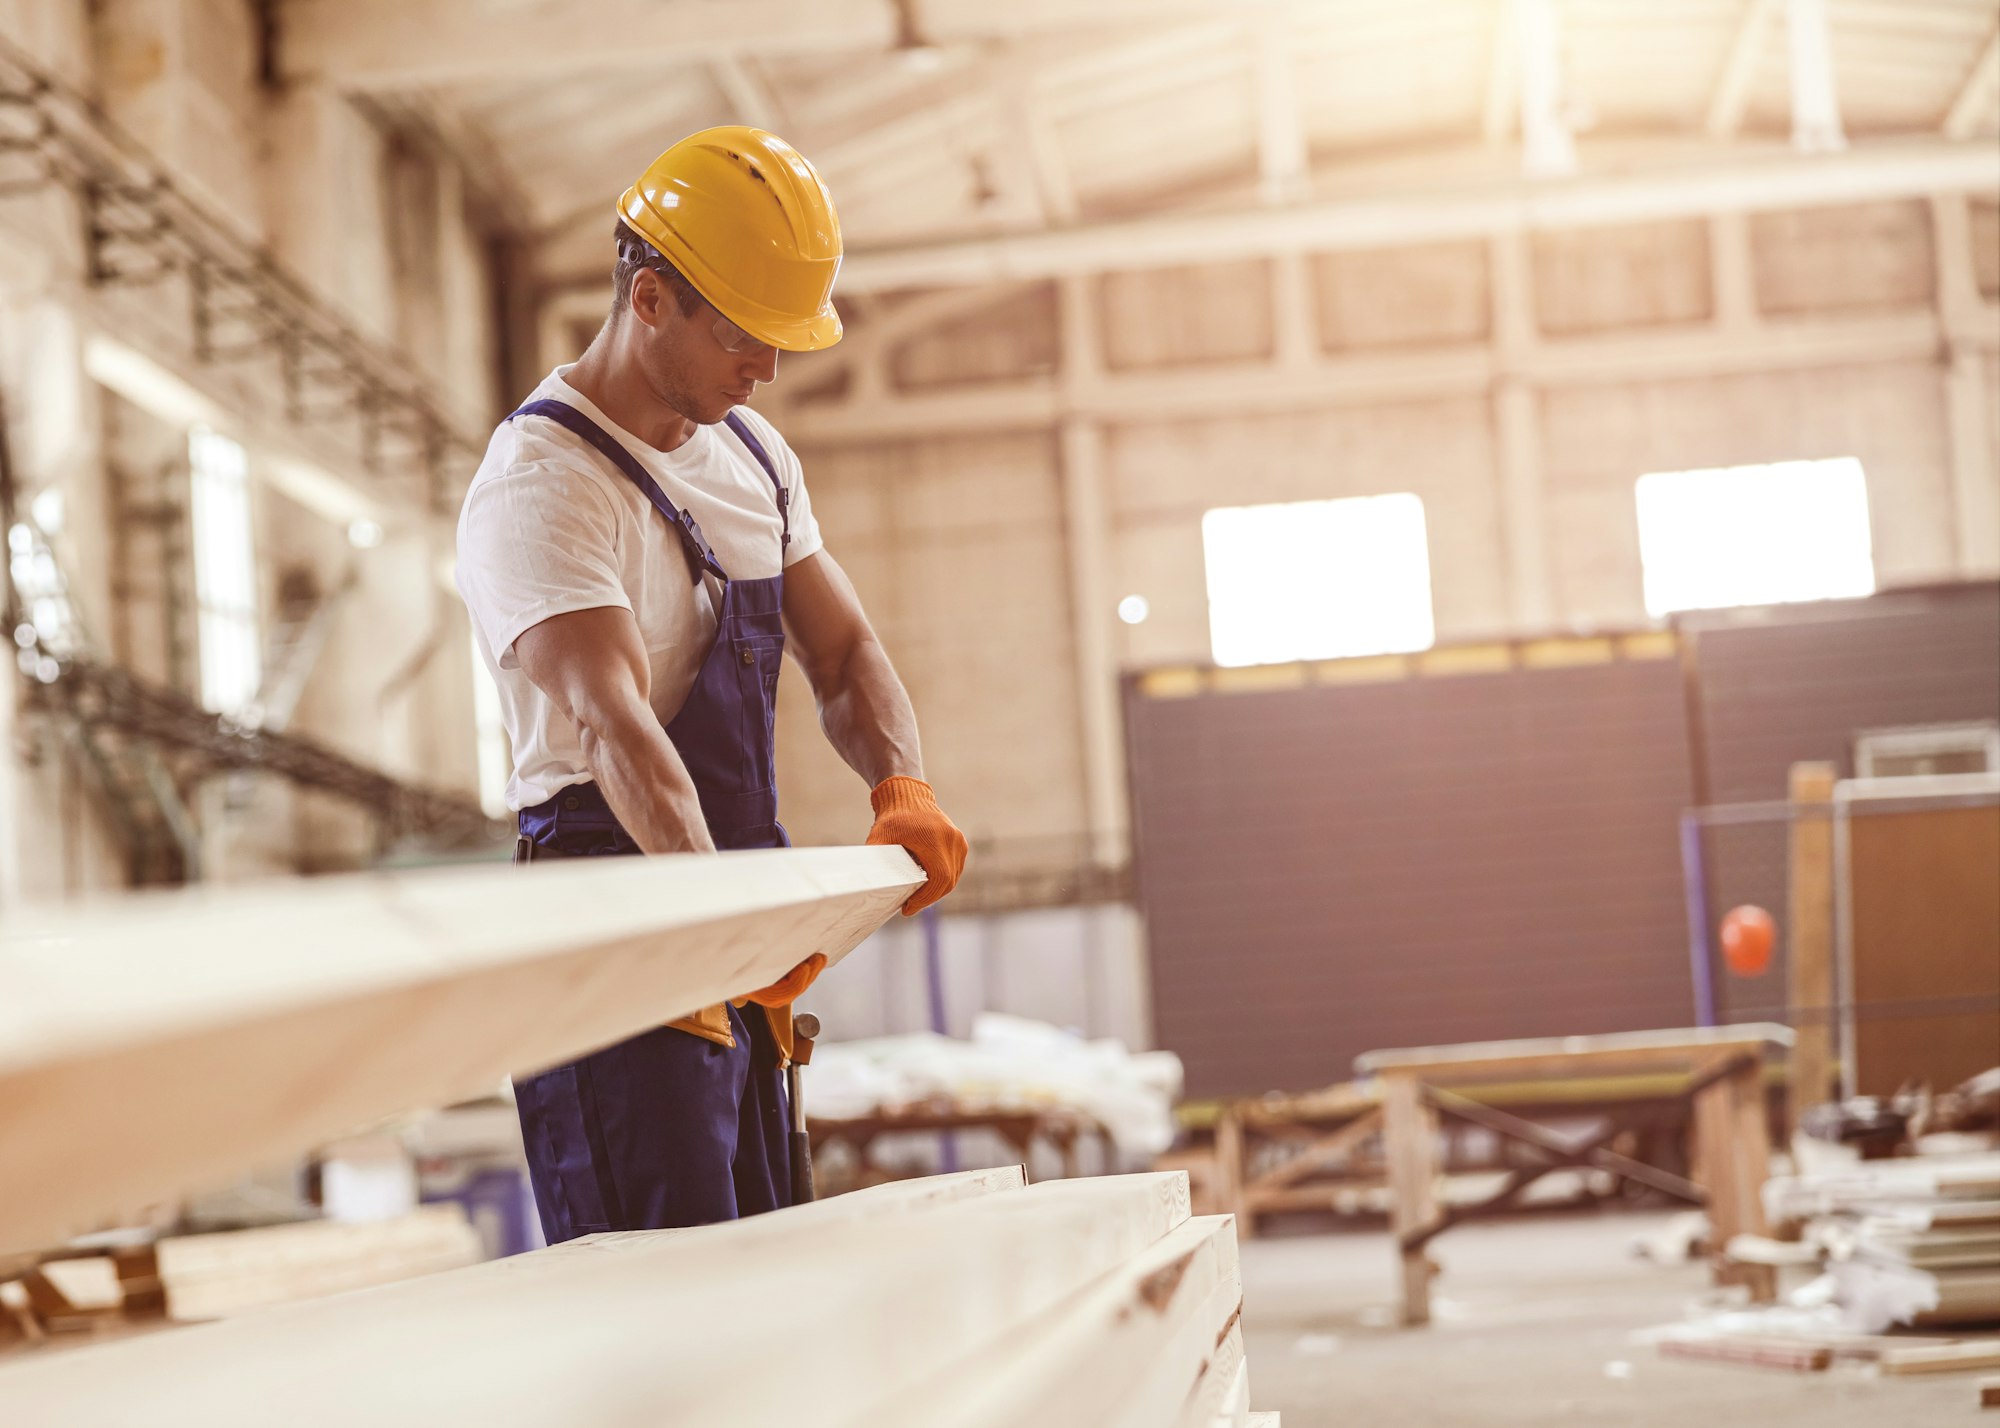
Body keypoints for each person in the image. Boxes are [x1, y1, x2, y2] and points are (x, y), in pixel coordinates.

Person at [454, 127, 968, 1241]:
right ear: (648, 300)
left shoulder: (753, 457)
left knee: (761, 1250)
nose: (769, 369)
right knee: (657, 1279)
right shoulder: (542, 487)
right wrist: (700, 931)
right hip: (614, 900)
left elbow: (841, 656)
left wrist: (901, 788)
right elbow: (613, 728)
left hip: (723, 895)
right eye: (745, 334)